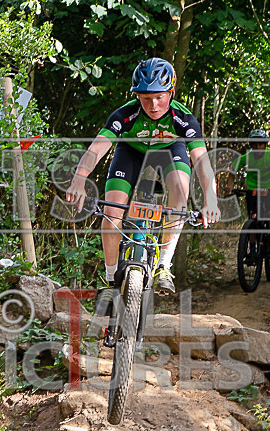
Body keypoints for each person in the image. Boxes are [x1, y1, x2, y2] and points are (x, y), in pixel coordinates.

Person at [65, 57, 221, 296]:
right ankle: (110, 278)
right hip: (131, 152)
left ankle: (164, 267)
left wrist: (211, 198)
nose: (154, 104)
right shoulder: (125, 114)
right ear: (137, 96)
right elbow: (96, 149)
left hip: (170, 152)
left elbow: (201, 160)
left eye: (160, 97)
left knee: (180, 190)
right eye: (146, 98)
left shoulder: (184, 119)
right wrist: (79, 179)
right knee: (112, 210)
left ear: (171, 92)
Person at [229, 129, 270, 253]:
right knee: (253, 218)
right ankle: (252, 249)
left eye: (261, 144)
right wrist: (229, 187)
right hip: (254, 189)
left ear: (265, 144)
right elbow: (232, 169)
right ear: (251, 145)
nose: (258, 147)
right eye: (255, 144)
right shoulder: (247, 157)